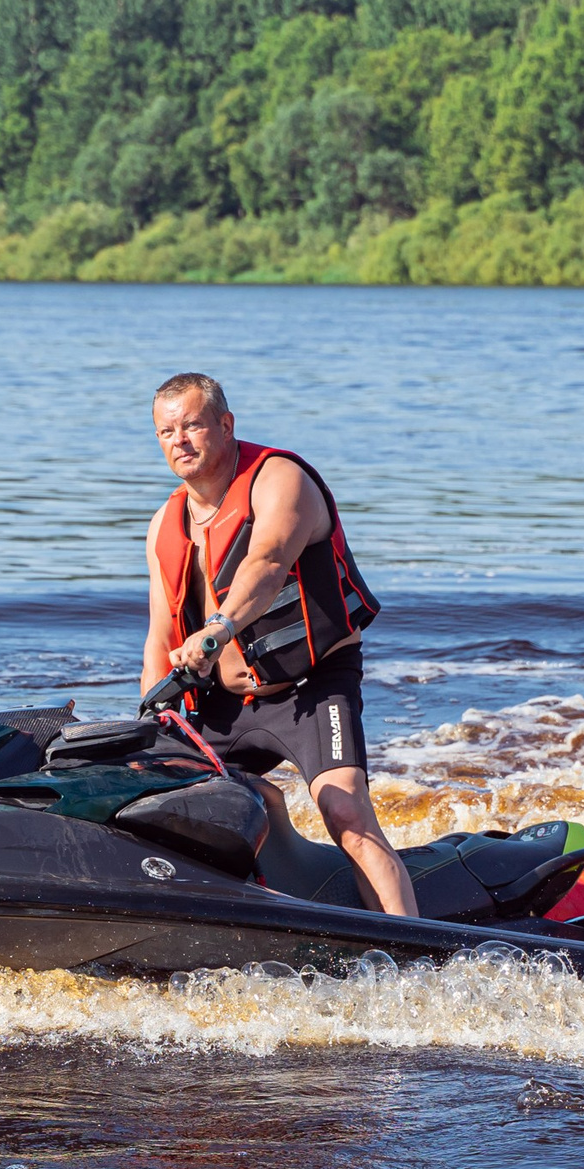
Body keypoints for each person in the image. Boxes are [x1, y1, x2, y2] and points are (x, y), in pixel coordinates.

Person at [140, 371, 420, 916]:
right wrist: (151, 725)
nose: (180, 440)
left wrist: (218, 629)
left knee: (346, 814)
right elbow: (158, 634)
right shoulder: (164, 524)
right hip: (225, 705)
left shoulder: (279, 479)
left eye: (193, 425)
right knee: (166, 804)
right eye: (166, 431)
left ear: (225, 425)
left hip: (310, 690)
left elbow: (266, 563)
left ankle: (415, 947)